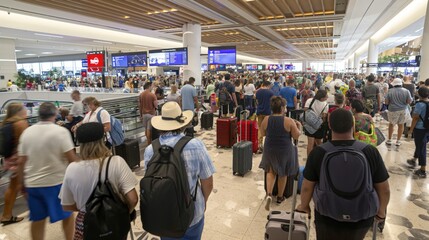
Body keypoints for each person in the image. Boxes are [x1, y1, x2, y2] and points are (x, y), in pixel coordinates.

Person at [297, 108, 390, 240]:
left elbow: (307, 186)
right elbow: (384, 188)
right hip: (361, 215)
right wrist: (381, 211)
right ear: (353, 125)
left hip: (327, 215)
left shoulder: (319, 152)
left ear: (329, 125)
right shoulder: (369, 151)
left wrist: (304, 206)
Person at [144, 102, 215, 239]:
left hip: (164, 216)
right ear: (182, 124)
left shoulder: (150, 150)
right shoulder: (195, 145)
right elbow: (208, 183)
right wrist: (202, 201)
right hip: (192, 215)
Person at [59, 122, 138, 239]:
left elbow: (66, 205)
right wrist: (123, 212)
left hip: (88, 224)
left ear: (80, 144)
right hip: (115, 221)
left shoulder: (72, 168)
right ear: (103, 139)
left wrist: (87, 209)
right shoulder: (117, 161)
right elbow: (133, 199)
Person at [18, 102, 77, 240]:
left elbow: (21, 162)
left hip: (33, 184)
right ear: (55, 114)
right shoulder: (61, 132)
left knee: (37, 219)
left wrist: (22, 183)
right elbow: (71, 159)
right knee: (67, 216)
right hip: (57, 182)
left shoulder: (27, 132)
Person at [260, 97, 301, 210]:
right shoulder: (288, 121)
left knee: (270, 171)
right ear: (282, 108)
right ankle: (280, 197)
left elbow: (262, 133)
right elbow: (296, 136)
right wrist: (299, 127)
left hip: (270, 148)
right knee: (283, 172)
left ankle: (269, 194)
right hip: (284, 149)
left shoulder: (266, 119)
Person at [0, 103, 28, 226]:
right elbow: (27, 142)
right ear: (19, 111)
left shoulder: (5, 124)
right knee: (16, 186)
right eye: (24, 109)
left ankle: (6, 215)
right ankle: (6, 215)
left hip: (9, 159)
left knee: (16, 186)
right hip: (18, 160)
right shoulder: (20, 123)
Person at [407, 86, 429, 178]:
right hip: (427, 128)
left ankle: (423, 170)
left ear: (419, 94)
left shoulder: (420, 105)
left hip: (420, 129)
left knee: (421, 147)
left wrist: (410, 130)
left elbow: (415, 118)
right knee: (420, 144)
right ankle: (414, 158)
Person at [385, 78, 412, 146]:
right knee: (401, 125)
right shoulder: (406, 91)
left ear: (394, 84)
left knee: (391, 124)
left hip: (392, 110)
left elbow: (386, 102)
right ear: (401, 84)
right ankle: (398, 141)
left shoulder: (390, 91)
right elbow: (409, 101)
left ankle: (389, 140)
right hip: (403, 110)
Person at [303, 89, 329, 156]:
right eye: (326, 96)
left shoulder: (309, 100)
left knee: (310, 144)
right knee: (319, 144)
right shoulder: (325, 104)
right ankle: (319, 158)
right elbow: (324, 117)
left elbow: (305, 111)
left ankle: (309, 160)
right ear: (322, 98)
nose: (327, 97)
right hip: (318, 126)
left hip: (309, 125)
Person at [255, 81, 274, 153]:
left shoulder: (258, 92)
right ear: (268, 85)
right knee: (268, 128)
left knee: (260, 128)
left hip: (259, 111)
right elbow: (273, 102)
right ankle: (267, 144)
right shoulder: (270, 92)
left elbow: (257, 101)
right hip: (268, 112)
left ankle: (259, 144)